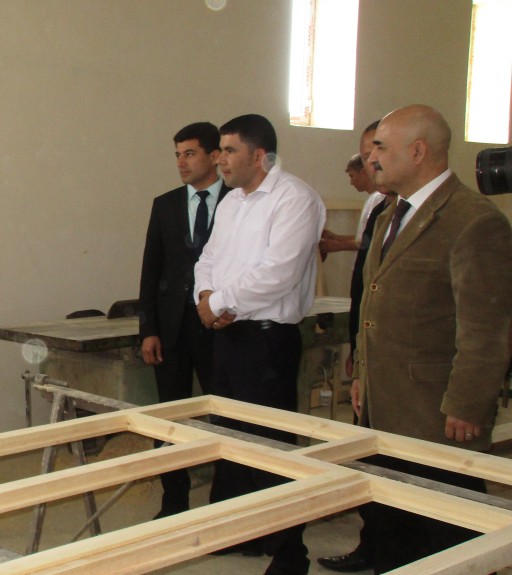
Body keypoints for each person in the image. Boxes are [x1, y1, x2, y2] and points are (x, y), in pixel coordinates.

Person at [353, 104, 512, 573]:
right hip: (385, 406)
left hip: (436, 413)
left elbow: (487, 327)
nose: (372, 158)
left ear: (418, 151)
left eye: (381, 147)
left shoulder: (473, 220)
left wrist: (467, 402)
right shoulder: (389, 214)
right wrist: (362, 374)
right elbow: (372, 305)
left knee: (445, 540)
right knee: (393, 532)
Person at [194, 113, 325, 575]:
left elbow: (279, 273)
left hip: (267, 341)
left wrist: (221, 301)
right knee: (230, 440)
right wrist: (206, 297)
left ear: (259, 155)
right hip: (228, 335)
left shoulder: (295, 199)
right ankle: (244, 533)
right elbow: (208, 257)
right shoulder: (231, 202)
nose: (220, 159)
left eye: (230, 151)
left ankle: (290, 553)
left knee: (271, 448)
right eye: (220, 151)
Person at [138, 121, 229, 518]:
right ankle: (173, 503)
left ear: (214, 155)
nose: (181, 162)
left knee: (225, 417)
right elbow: (151, 269)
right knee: (170, 419)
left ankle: (224, 504)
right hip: (172, 328)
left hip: (219, 326)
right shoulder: (165, 204)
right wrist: (148, 329)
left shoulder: (238, 201)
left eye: (189, 153)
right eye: (177, 155)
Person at [316, 120, 394, 574]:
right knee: (371, 456)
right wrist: (359, 354)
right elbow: (367, 286)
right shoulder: (380, 207)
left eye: (377, 150)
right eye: (366, 154)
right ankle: (373, 544)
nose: (371, 161)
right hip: (371, 351)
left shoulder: (444, 214)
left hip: (411, 373)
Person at [319, 153, 384, 256]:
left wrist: (339, 246)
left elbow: (370, 241)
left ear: (363, 173)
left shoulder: (377, 199)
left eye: (352, 176)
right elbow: (363, 237)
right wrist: (337, 237)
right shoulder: (373, 198)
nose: (351, 182)